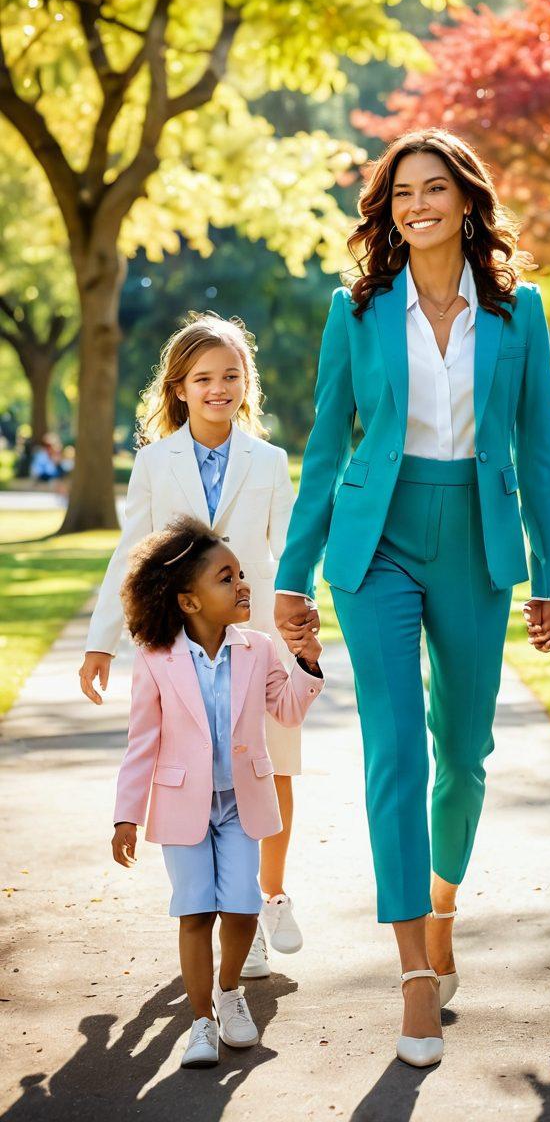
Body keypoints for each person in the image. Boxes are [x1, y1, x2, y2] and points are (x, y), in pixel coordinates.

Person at [274, 128, 550, 1066]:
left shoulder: (520, 314)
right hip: (378, 543)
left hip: (477, 543)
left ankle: (442, 902)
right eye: (401, 193)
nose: (416, 205)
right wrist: (291, 575)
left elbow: (540, 450)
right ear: (386, 210)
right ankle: (411, 973)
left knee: (465, 753)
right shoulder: (356, 310)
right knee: (394, 747)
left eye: (434, 188)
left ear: (467, 200)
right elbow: (327, 447)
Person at [81, 313, 316, 977]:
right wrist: (101, 642)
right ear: (179, 388)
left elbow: (291, 548)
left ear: (247, 384)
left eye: (231, 376)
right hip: (182, 644)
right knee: (198, 770)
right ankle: (218, 906)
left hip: (258, 640)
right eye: (204, 378)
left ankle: (267, 899)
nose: (219, 388)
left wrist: (300, 616)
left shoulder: (269, 461)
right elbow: (132, 553)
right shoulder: (155, 463)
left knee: (272, 769)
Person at [111, 516, 323, 1068]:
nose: (242, 585)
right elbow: (141, 743)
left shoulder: (259, 649)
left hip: (239, 804)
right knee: (195, 912)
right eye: (226, 578)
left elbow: (288, 711)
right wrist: (126, 815)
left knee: (243, 908)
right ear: (189, 602)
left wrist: (306, 660)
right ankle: (201, 1020)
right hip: (182, 806)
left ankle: (230, 994)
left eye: (241, 574)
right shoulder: (156, 659)